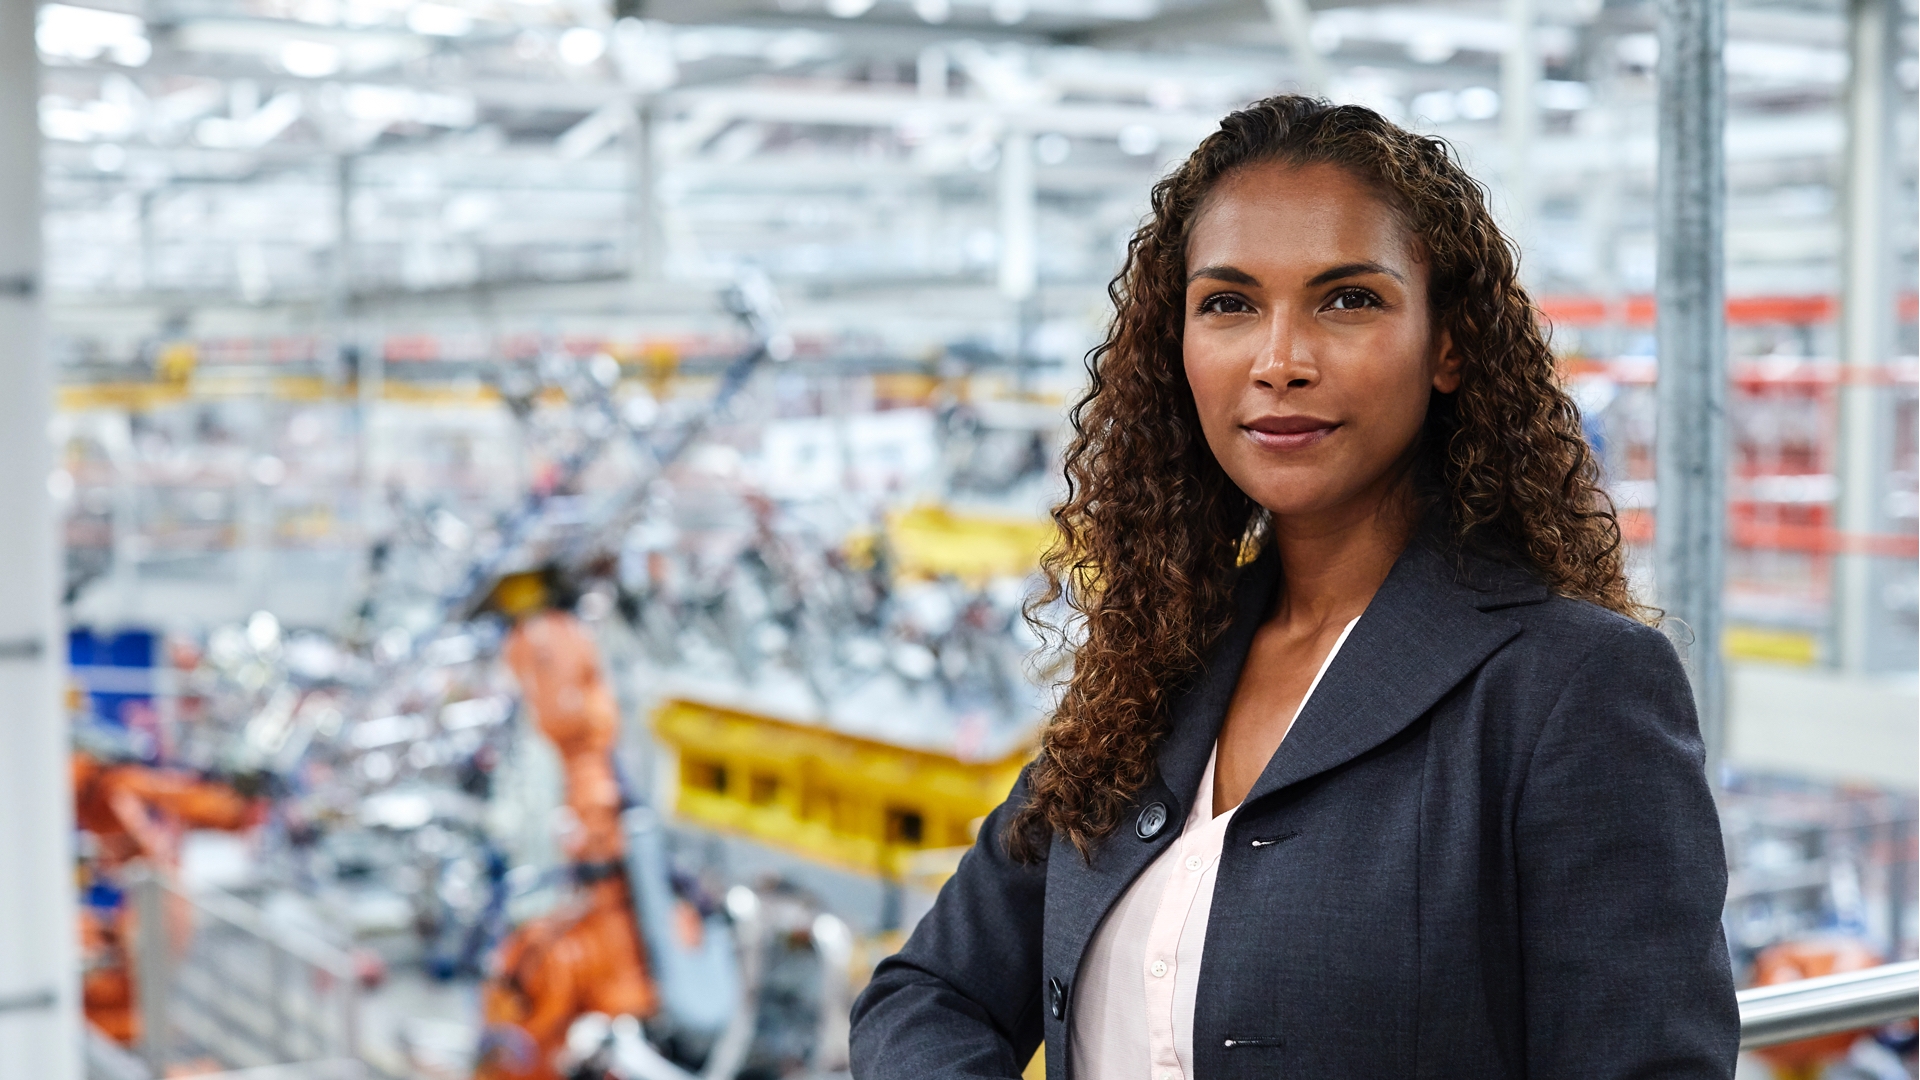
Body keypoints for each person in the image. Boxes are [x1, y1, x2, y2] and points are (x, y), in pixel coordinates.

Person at [848, 95, 1737, 1079]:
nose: (1280, 362)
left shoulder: (1574, 689)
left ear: (1448, 344)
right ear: (1175, 346)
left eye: (1348, 299)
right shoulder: (1159, 666)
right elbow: (926, 995)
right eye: (1228, 304)